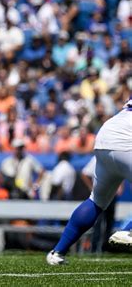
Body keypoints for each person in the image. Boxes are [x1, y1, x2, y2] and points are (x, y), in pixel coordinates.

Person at [47, 98, 132, 265]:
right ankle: (128, 230)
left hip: (107, 133)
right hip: (127, 137)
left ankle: (57, 252)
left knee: (96, 201)